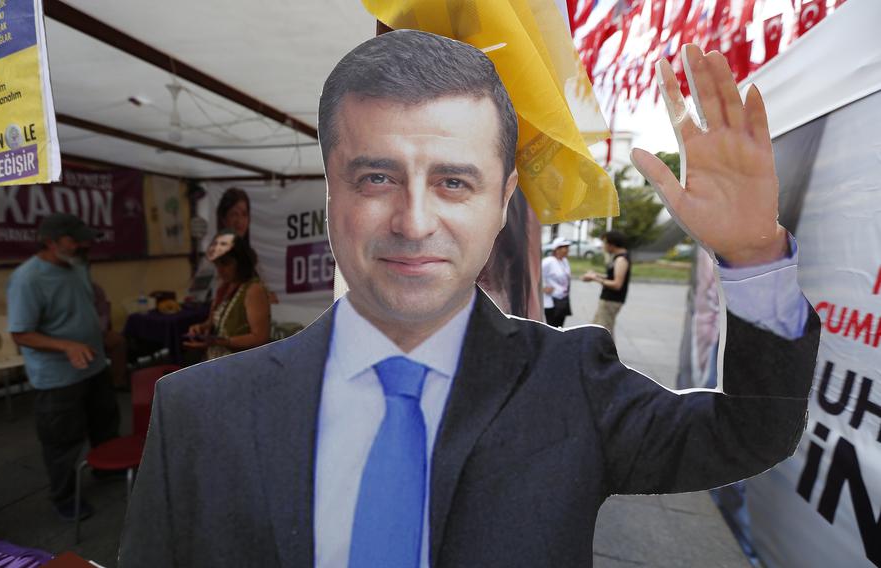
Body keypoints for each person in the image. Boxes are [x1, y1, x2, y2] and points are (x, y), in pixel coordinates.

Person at [119, 33, 819, 567]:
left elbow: (751, 433)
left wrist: (754, 256)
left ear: (503, 201)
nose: (414, 221)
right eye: (374, 178)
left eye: (454, 182)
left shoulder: (574, 384)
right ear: (331, 188)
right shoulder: (198, 413)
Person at [7, 213, 120, 522]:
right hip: (57, 378)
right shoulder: (27, 279)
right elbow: (20, 333)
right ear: (50, 242)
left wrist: (101, 333)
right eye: (75, 239)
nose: (84, 244)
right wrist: (67, 345)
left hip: (94, 366)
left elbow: (81, 309)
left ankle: (105, 467)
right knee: (63, 440)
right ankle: (64, 496)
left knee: (105, 422)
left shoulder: (77, 266)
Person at [184, 230, 271, 359]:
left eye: (225, 263)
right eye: (217, 264)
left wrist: (219, 341)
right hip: (219, 362)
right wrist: (200, 328)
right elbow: (213, 322)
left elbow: (260, 338)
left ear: (241, 262)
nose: (219, 270)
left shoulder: (253, 289)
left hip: (242, 365)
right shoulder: (224, 287)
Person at [582, 230, 631, 334]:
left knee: (604, 333)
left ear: (612, 244)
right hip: (608, 299)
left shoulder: (621, 259)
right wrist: (596, 275)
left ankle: (607, 351)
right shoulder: (618, 257)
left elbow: (617, 284)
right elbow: (612, 276)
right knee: (597, 329)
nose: (603, 246)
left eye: (604, 243)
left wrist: (595, 279)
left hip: (611, 301)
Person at [542, 236, 573, 327]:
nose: (567, 250)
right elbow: (534, 274)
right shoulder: (548, 262)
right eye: (565, 247)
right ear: (557, 249)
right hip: (551, 301)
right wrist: (543, 287)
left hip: (563, 299)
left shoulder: (564, 261)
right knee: (552, 327)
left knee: (560, 327)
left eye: (568, 247)